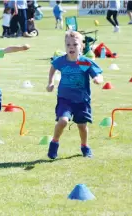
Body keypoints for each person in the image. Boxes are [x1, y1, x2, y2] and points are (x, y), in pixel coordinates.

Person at [46, 31, 103, 159]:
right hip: (65, 99)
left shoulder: (85, 62)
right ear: (65, 46)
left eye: (75, 44)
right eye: (68, 45)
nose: (71, 47)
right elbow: (53, 67)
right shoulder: (61, 61)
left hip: (82, 100)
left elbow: (98, 74)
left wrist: (98, 79)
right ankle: (54, 143)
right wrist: (50, 82)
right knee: (63, 121)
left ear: (81, 46)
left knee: (82, 126)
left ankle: (85, 146)